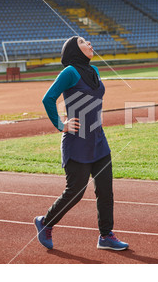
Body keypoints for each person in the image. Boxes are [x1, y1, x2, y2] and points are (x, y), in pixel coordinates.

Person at [34, 36, 128, 251]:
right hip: (77, 142)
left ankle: (106, 236)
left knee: (105, 191)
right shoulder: (70, 72)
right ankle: (45, 223)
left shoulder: (93, 71)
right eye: (84, 42)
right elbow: (48, 98)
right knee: (75, 191)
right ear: (74, 50)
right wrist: (61, 124)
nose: (90, 44)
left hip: (98, 140)